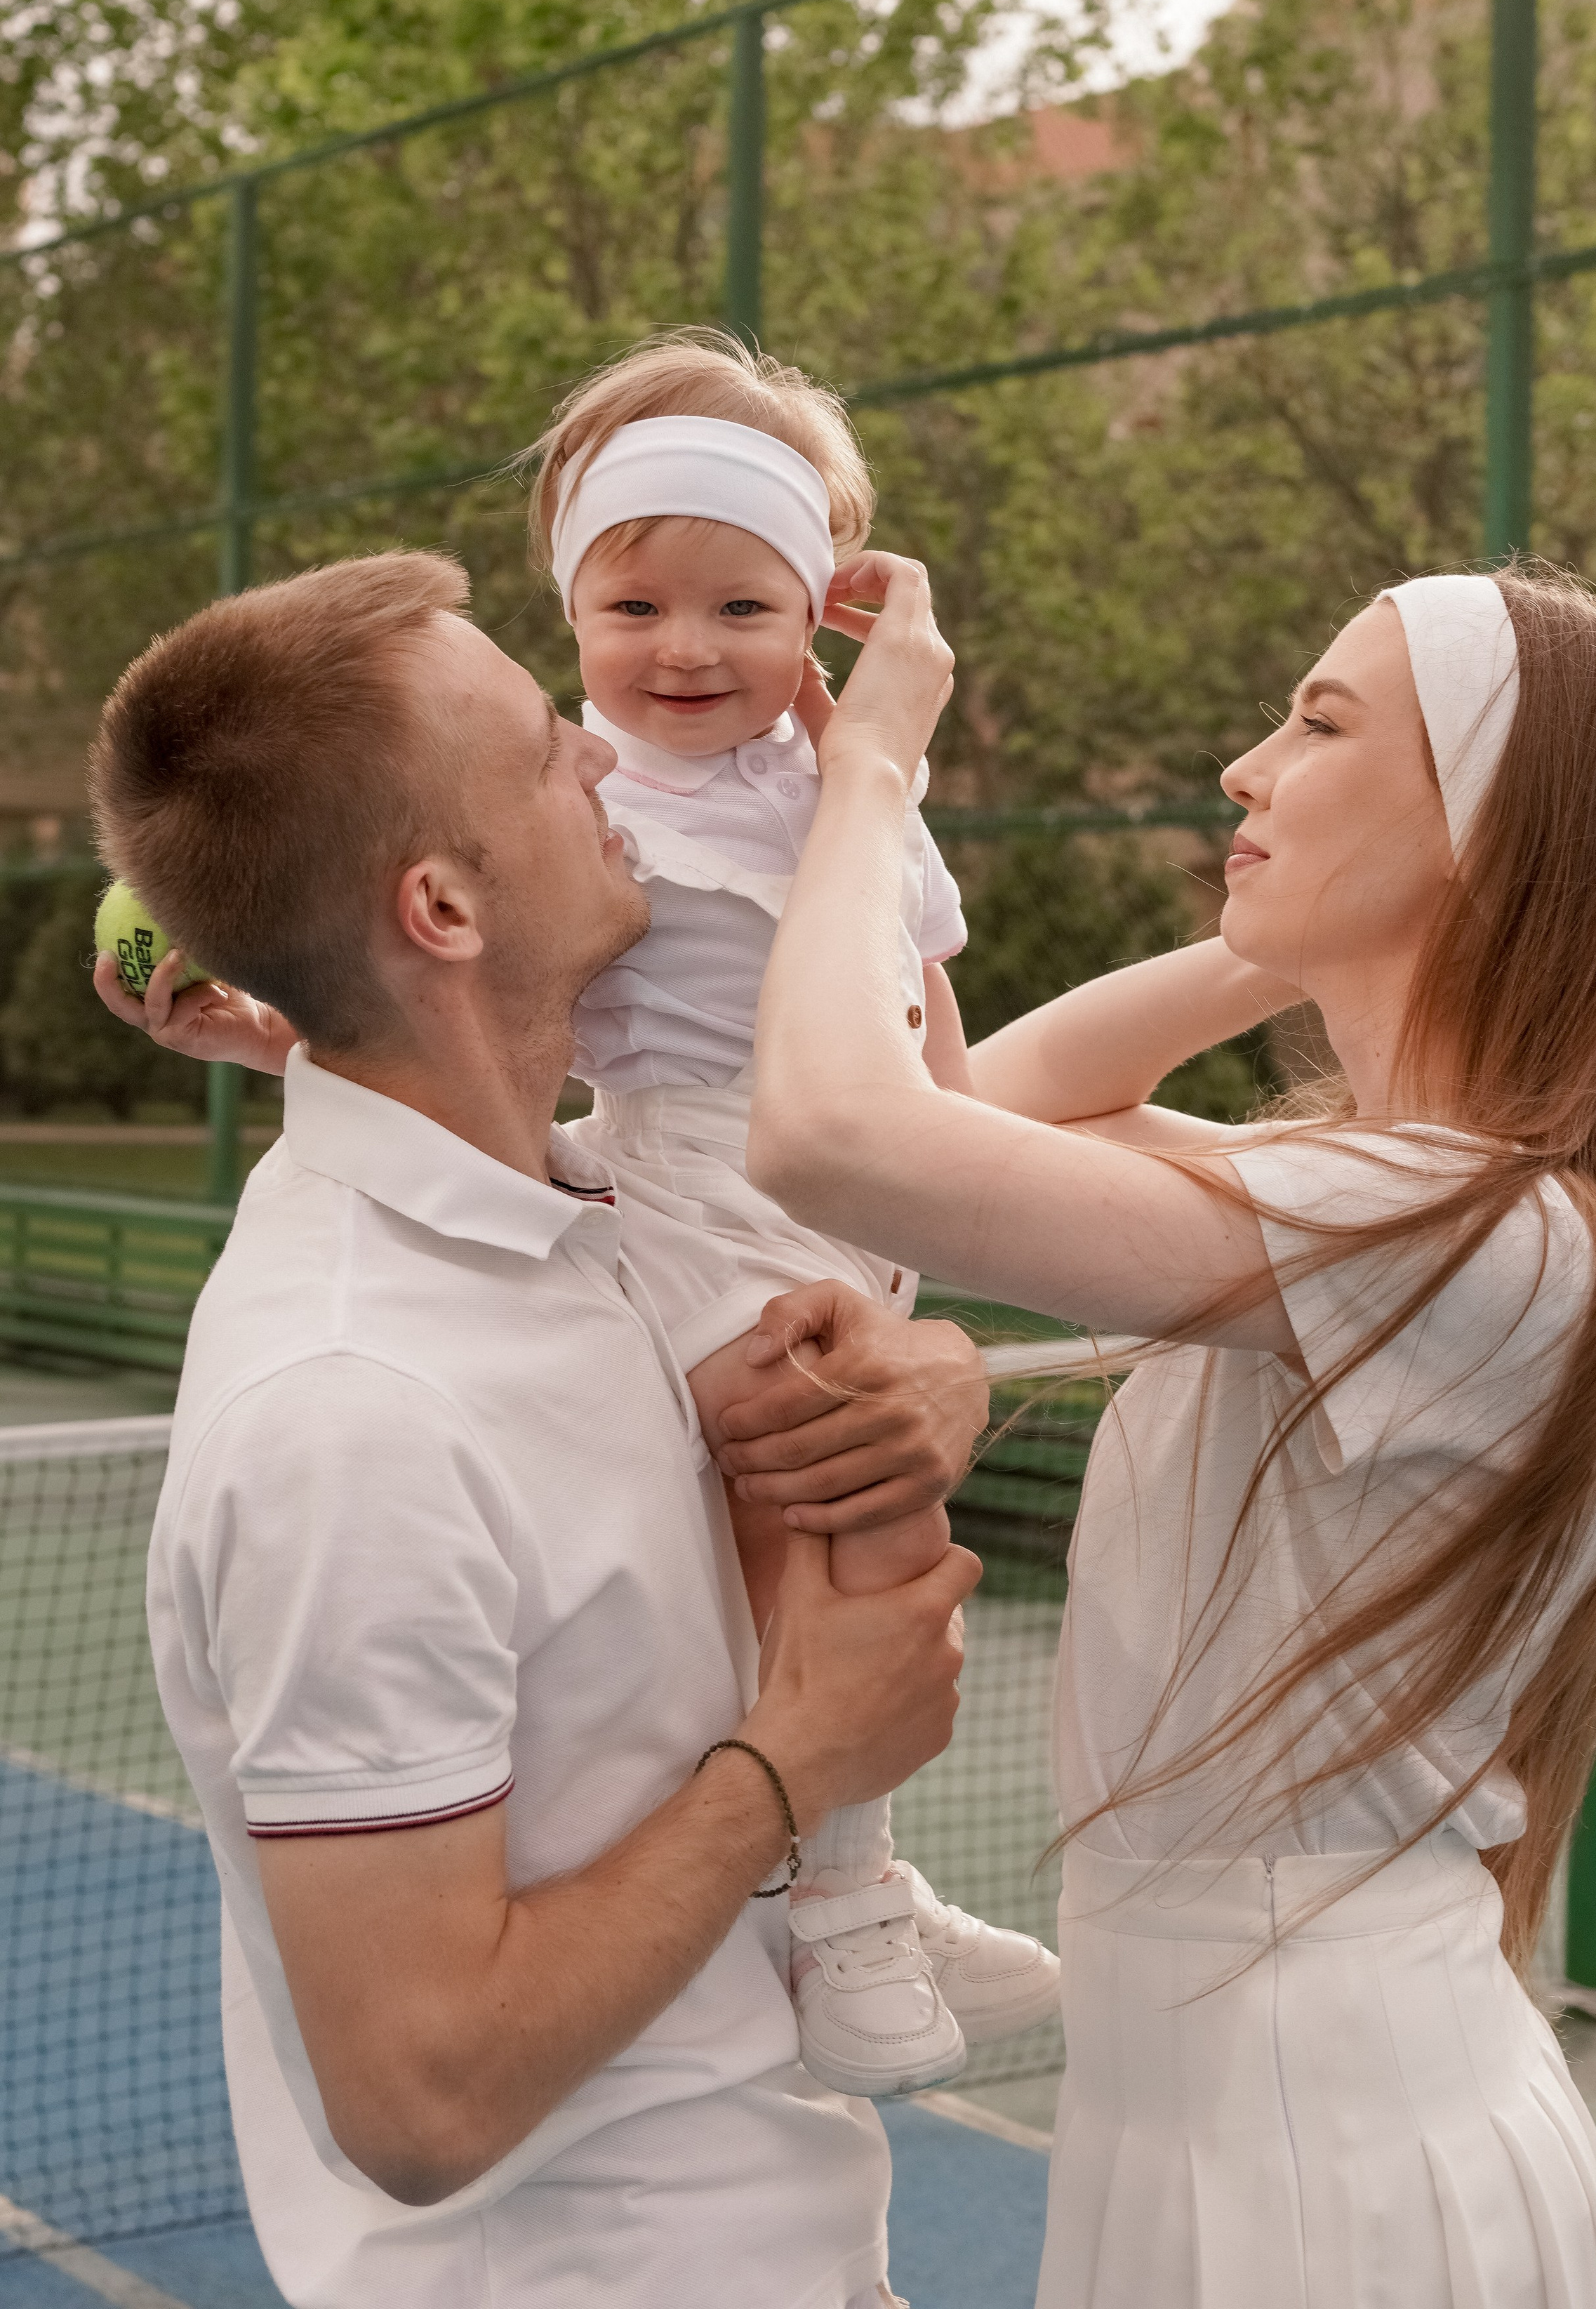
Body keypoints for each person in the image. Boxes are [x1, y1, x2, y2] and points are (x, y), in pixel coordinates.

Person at [745, 553, 1596, 2308]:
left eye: (1319, 723)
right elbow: (986, 1105)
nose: (1243, 769)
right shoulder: (1376, 1200)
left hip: (1325, 2160)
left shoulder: (1469, 1234)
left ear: (1484, 831)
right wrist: (1296, 918)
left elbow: (832, 1128)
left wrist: (872, 777)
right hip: (1242, 2111)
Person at [88, 548, 987, 2309]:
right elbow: (419, 2099)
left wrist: (922, 1363)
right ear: (441, 908)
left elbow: (832, 1266)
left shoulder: (579, 1219)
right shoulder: (354, 1418)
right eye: (537, 748)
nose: (598, 749)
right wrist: (796, 1762)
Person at [519, 326, 1058, 2096]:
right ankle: (839, 1915)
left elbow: (918, 1003)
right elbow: (466, 1005)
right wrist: (274, 1030)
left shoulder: (848, 789)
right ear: (573, 607)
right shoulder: (553, 795)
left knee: (882, 1565)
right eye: (638, 605)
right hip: (685, 1198)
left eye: (743, 608)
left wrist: (961, 1168)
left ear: (821, 609)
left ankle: (864, 1878)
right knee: (833, 1537)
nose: (685, 649)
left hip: (849, 1211)